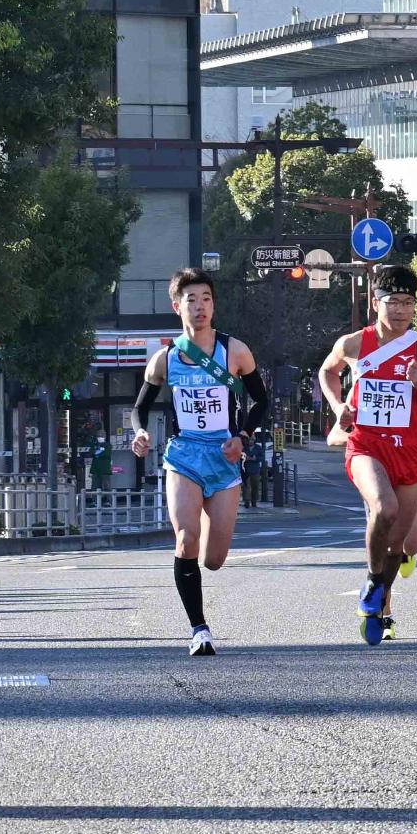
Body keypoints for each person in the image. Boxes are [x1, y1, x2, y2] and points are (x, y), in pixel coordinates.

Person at [129, 268, 267, 656]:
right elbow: (140, 409)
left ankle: (209, 529)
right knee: (186, 538)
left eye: (206, 298)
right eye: (191, 299)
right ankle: (199, 630)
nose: (200, 306)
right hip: (184, 455)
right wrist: (139, 433)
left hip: (224, 459)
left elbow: (261, 401)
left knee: (214, 559)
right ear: (177, 306)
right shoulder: (165, 358)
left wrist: (243, 437)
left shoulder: (235, 351)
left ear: (214, 304)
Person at [317, 262, 417, 646]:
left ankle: (378, 594)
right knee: (385, 508)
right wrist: (337, 406)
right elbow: (327, 373)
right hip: (365, 444)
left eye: (408, 303)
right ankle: (374, 583)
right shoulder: (354, 344)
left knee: (400, 542)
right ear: (375, 303)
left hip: (408, 449)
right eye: (392, 301)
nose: (400, 310)